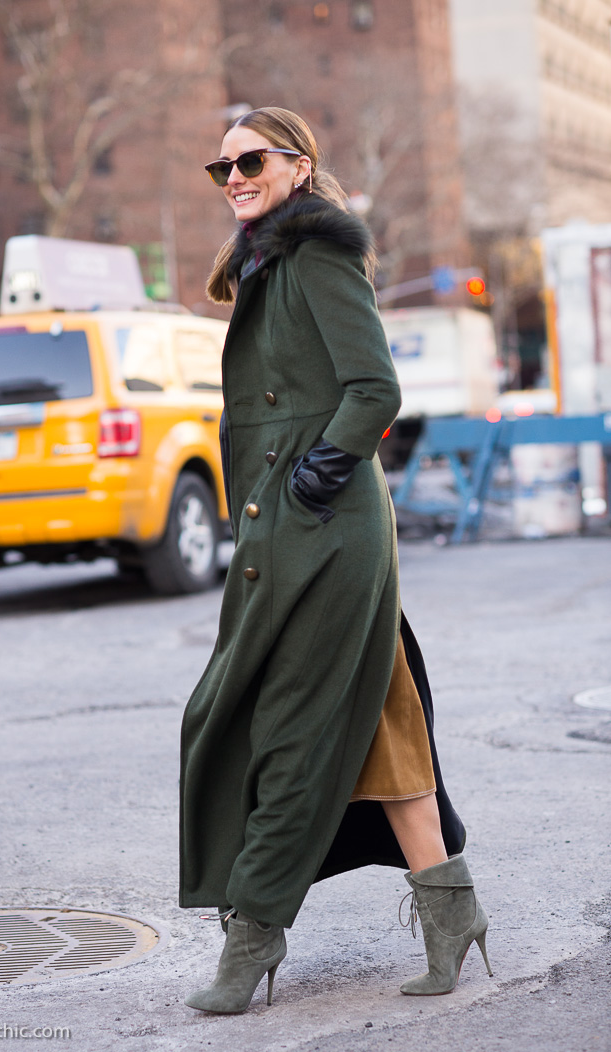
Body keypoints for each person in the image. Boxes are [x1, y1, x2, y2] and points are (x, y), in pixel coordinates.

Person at [179, 106, 492, 1014]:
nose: (234, 176)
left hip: (321, 525)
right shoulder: (269, 261)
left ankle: (252, 939)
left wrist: (322, 466)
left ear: (298, 165)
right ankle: (454, 913)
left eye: (251, 160)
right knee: (384, 722)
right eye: (222, 166)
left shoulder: (312, 252)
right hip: (295, 522)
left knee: (282, 729)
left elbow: (374, 385)